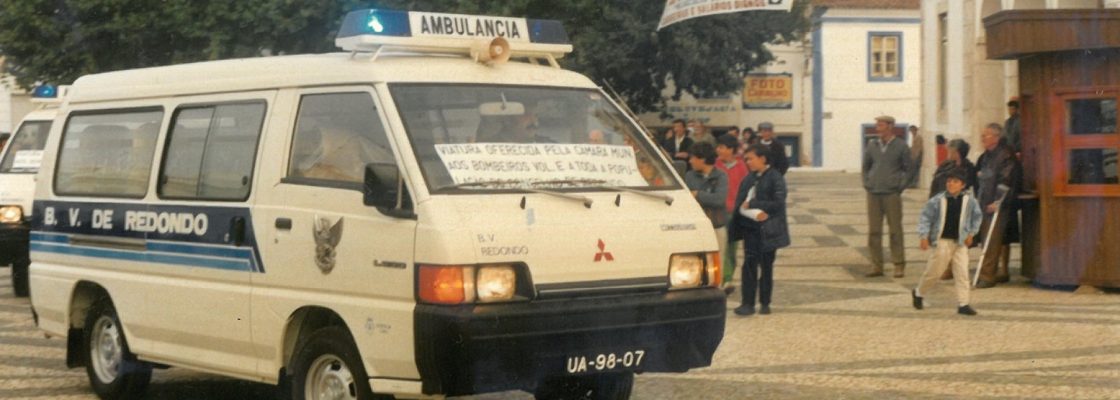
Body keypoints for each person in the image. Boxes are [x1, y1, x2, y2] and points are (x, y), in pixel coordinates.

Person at [912, 168, 982, 316]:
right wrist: (923, 236)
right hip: (942, 241)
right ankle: (919, 292)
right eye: (949, 181)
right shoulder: (937, 201)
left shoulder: (970, 201)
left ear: (962, 185)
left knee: (962, 272)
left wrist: (972, 233)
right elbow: (925, 218)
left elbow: (977, 217)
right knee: (934, 272)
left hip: (960, 242)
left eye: (955, 181)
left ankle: (963, 303)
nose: (951, 184)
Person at [729, 144, 790, 316]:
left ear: (763, 159)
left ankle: (765, 302)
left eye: (750, 158)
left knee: (766, 267)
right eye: (746, 159)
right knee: (748, 266)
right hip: (750, 229)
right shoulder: (749, 178)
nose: (747, 162)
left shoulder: (775, 177)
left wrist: (754, 204)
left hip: (768, 230)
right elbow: (740, 200)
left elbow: (778, 202)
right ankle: (747, 303)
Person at [862, 115, 911, 278]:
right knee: (874, 231)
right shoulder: (872, 145)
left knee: (895, 230)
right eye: (877, 125)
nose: (878, 128)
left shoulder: (901, 146)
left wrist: (900, 186)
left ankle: (899, 264)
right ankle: (876, 265)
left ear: (890, 126)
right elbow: (866, 166)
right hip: (874, 193)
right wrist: (867, 182)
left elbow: (909, 169)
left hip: (891, 193)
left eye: (881, 125)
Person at [975, 123, 1021, 289]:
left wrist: (997, 201)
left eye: (985, 136)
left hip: (997, 205)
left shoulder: (1005, 155)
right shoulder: (988, 155)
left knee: (992, 240)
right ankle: (988, 272)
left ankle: (987, 276)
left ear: (996, 137)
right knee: (986, 238)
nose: (982, 139)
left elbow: (1006, 180)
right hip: (984, 202)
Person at [685, 143, 729, 285]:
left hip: (716, 226)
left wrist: (698, 194)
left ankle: (717, 289)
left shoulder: (721, 176)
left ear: (702, 159)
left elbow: (719, 199)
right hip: (695, 228)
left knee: (717, 262)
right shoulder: (689, 176)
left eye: (693, 158)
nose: (690, 161)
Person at [715, 134, 748, 294]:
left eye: (721, 147)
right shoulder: (715, 165)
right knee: (718, 246)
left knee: (731, 248)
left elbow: (747, 188)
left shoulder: (742, 166)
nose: (718, 150)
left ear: (731, 150)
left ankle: (727, 278)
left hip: (734, 213)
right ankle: (718, 278)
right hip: (717, 212)